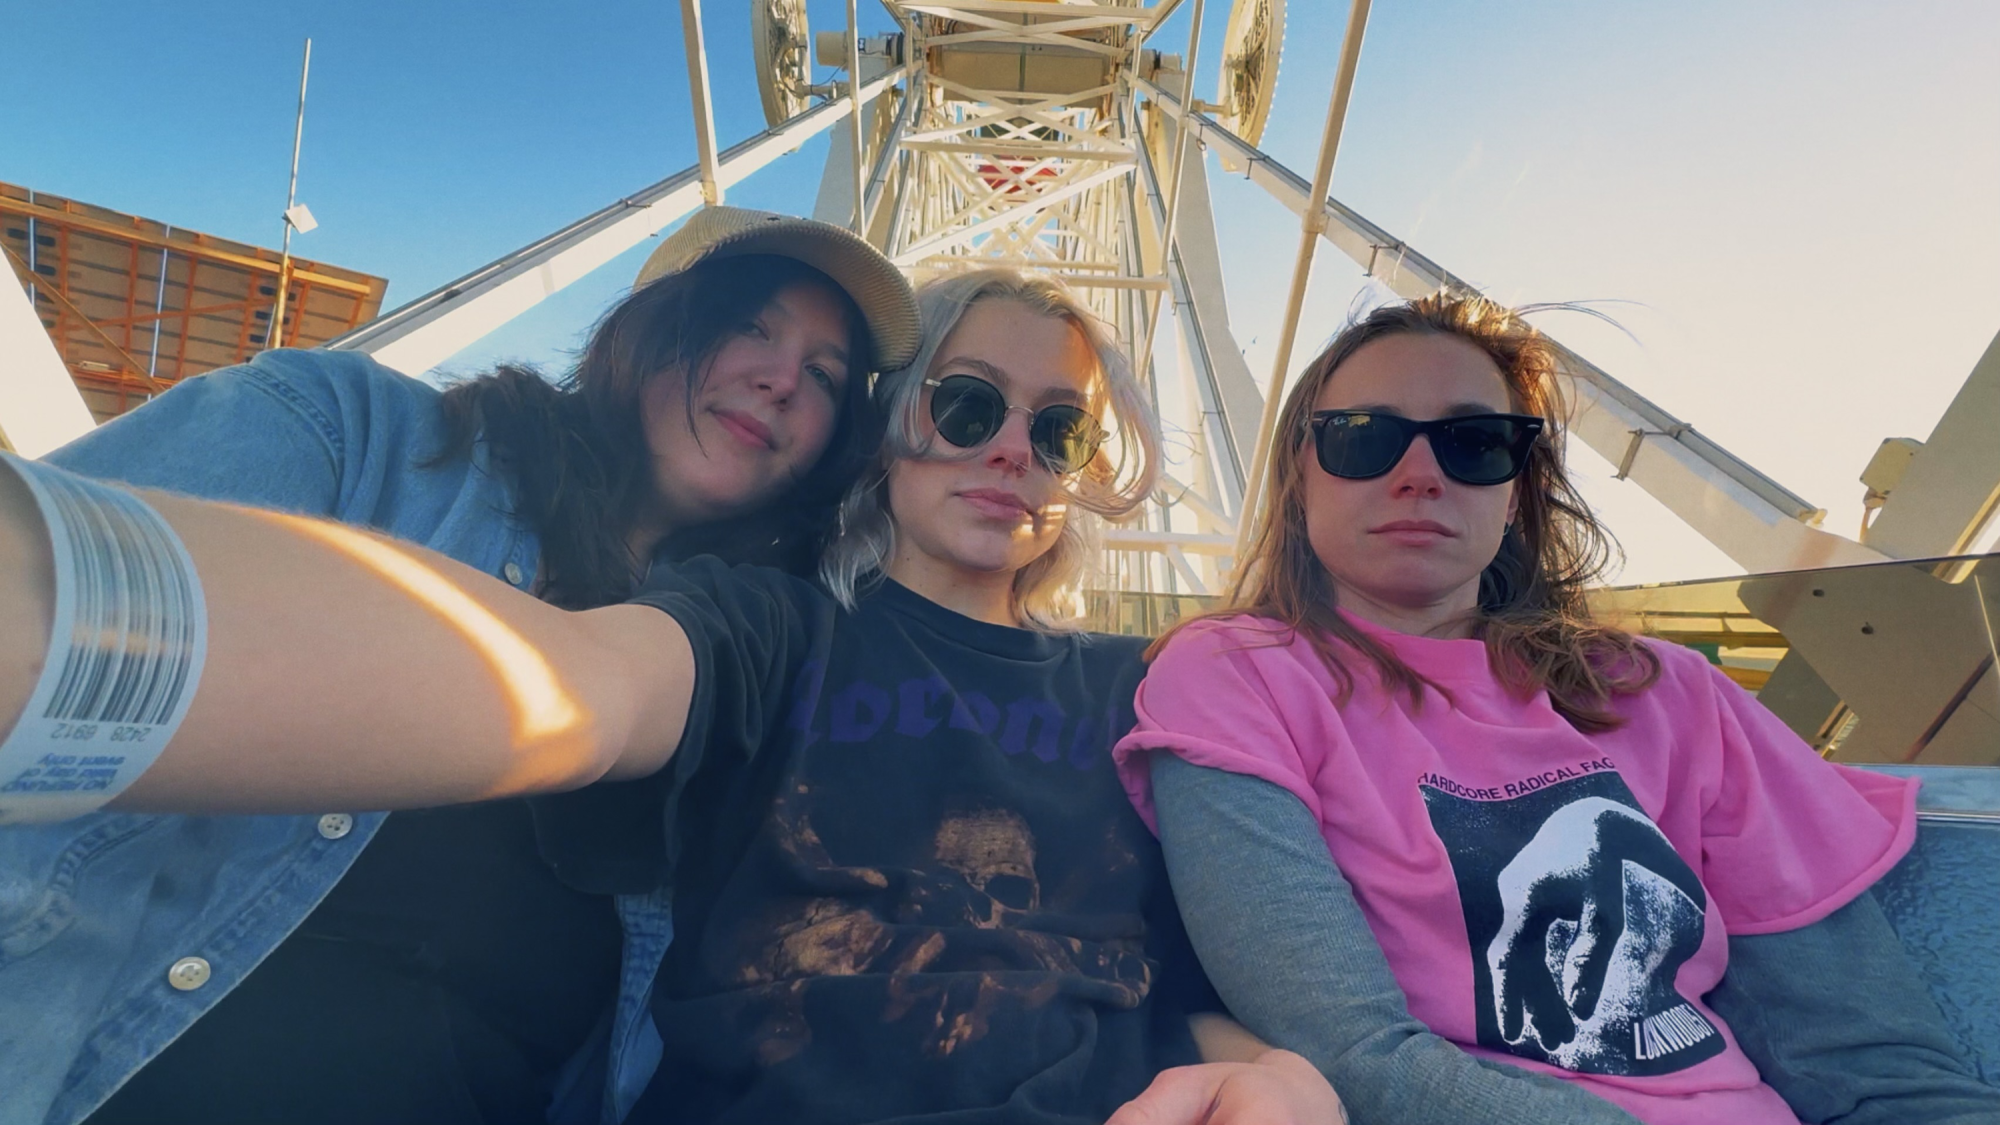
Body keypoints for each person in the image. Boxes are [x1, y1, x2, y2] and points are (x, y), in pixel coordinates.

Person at [0, 269, 1342, 1125]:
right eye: (969, 402)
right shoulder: (775, 630)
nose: (1009, 451)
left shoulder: (1150, 686)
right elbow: (568, 690)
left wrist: (1286, 1076)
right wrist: (66, 627)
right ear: (895, 435)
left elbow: (1195, 957)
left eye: (1061, 430)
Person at [0, 205, 921, 1125]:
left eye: (826, 378)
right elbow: (54, 627)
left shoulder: (753, 681)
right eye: (750, 327)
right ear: (649, 333)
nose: (779, 382)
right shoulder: (359, 440)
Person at [1109, 294, 2000, 1124]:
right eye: (1361, 437)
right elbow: (1351, 1052)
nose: (1419, 472)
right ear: (1298, 476)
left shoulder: (1664, 689)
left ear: (1517, 487)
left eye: (1476, 442)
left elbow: (1868, 1058)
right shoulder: (1236, 675)